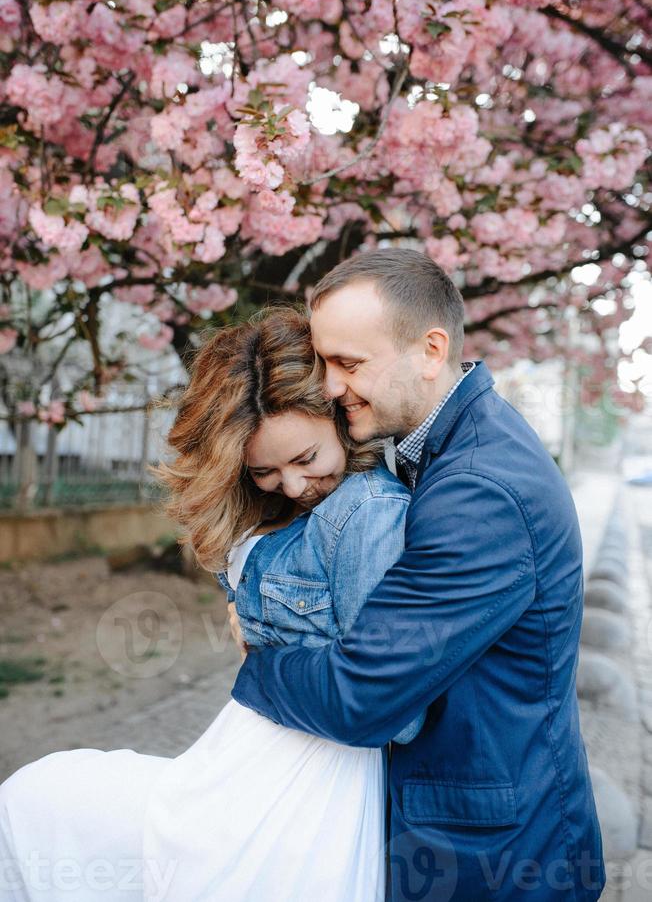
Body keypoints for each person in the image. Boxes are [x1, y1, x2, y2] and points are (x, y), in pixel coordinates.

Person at [0, 306, 422, 902]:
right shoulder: (298, 512)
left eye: (306, 459)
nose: (294, 486)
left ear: (338, 416)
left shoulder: (367, 514)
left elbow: (392, 707)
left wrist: (260, 656)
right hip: (243, 761)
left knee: (35, 805)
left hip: (301, 789)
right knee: (34, 805)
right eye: (265, 472)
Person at [229, 248, 607, 902]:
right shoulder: (453, 444)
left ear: (431, 351)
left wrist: (253, 661)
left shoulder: (480, 494)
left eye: (349, 363)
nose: (331, 386)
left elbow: (363, 697)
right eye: (325, 364)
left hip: (496, 862)